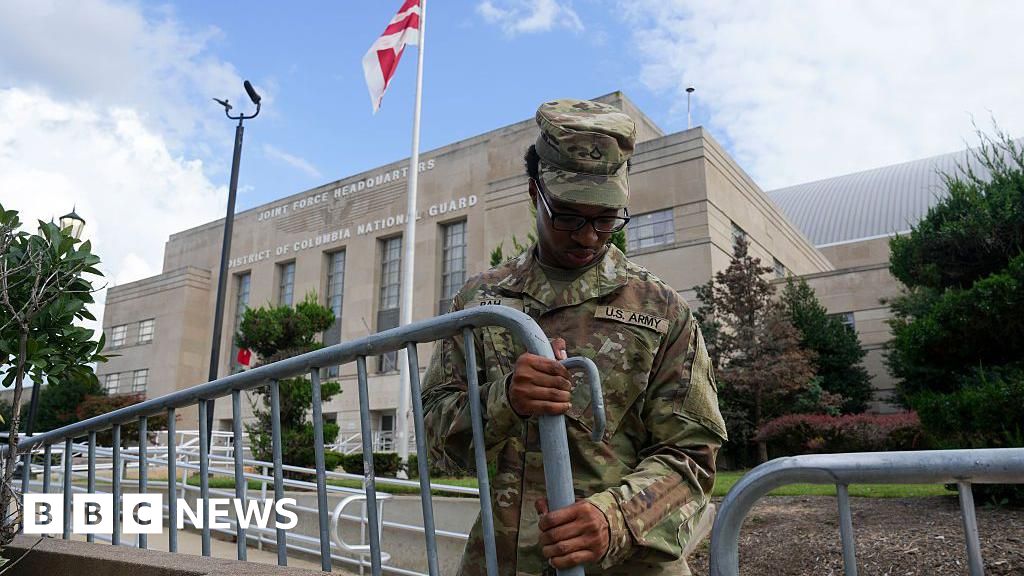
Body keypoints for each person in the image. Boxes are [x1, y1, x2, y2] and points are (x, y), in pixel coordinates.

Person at [421, 98, 727, 576]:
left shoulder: (662, 310)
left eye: (606, 219)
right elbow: (435, 439)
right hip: (503, 562)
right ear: (533, 192)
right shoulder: (480, 304)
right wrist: (505, 401)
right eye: (567, 216)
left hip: (628, 564)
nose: (588, 237)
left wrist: (618, 519)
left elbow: (693, 458)